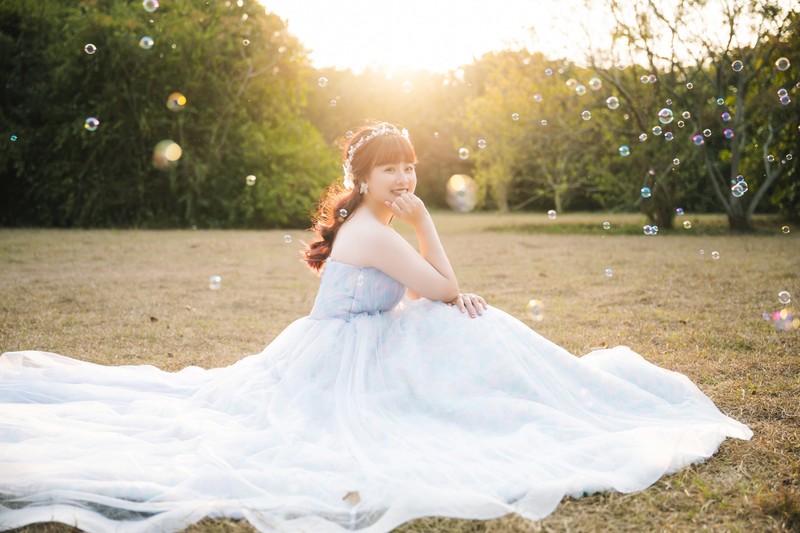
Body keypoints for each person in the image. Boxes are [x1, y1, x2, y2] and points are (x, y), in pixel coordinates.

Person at [0, 121, 752, 533]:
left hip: (359, 340)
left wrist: (436, 273)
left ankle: (540, 393)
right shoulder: (373, 229)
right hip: (338, 361)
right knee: (468, 317)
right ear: (362, 179)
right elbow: (442, 286)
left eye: (412, 170)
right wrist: (427, 222)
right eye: (392, 171)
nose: (405, 180)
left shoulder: (372, 224)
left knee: (468, 321)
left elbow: (431, 294)